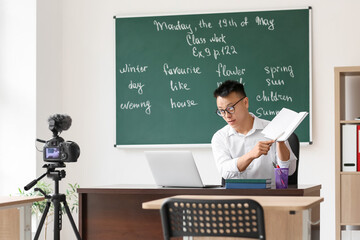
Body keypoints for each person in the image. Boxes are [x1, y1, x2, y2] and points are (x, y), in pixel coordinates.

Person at [211, 80, 297, 180]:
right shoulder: (220, 137)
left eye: (230, 108)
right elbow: (225, 172)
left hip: (269, 194)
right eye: (222, 111)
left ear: (245, 102)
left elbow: (290, 171)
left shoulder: (273, 129)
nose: (227, 115)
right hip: (236, 195)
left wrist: (281, 143)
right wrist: (251, 155)